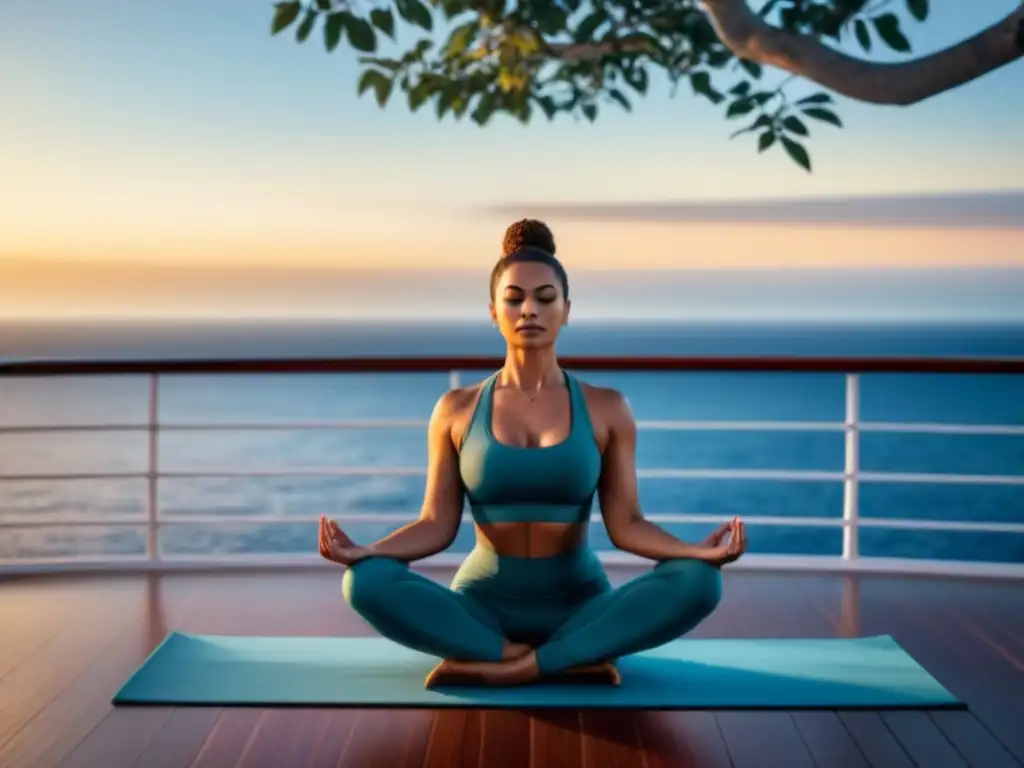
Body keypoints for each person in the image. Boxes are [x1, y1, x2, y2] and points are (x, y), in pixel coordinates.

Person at [318, 218, 746, 687]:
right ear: (493, 310)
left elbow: (627, 525)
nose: (529, 310)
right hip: (481, 607)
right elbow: (436, 525)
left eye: (545, 298)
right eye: (514, 298)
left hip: (580, 606)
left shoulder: (607, 408)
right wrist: (366, 551)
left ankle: (511, 665)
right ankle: (558, 658)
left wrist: (693, 552)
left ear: (566, 310)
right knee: (364, 581)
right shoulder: (456, 409)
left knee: (700, 582)